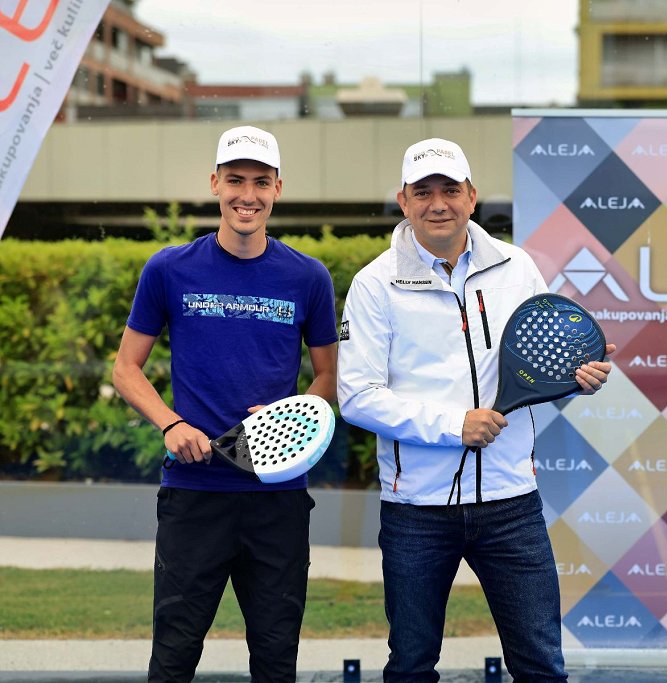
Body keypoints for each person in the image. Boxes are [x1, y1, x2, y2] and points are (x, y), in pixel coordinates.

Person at [337, 137, 615, 683]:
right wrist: (453, 427)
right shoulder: (374, 284)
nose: (437, 203)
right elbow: (358, 396)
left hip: (511, 504)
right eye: (423, 192)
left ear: (471, 196)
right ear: (403, 200)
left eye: (449, 190)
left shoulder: (517, 267)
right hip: (415, 508)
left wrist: (577, 380)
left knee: (540, 666)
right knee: (412, 665)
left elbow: (542, 363)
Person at [112, 125, 338, 682]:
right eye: (235, 180)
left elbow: (329, 376)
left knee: (276, 660)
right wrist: (171, 423)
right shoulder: (169, 269)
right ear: (215, 183)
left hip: (277, 501)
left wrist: (294, 418)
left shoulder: (308, 277)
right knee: (173, 658)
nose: (247, 194)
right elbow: (125, 369)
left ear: (277, 189)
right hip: (194, 496)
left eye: (261, 182)